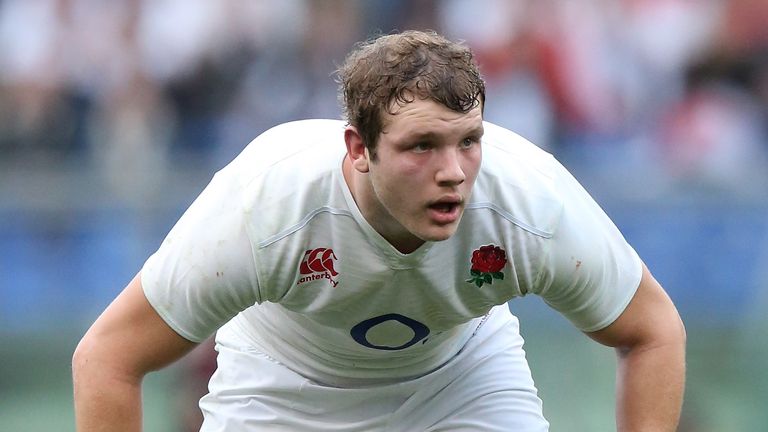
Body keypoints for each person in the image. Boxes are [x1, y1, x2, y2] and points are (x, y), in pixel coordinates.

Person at [72, 30, 686, 431]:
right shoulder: (267, 203)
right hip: (283, 388)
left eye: (469, 141)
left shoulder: (528, 199)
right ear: (358, 148)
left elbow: (654, 330)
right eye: (422, 145)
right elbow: (107, 359)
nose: (454, 173)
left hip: (462, 380)